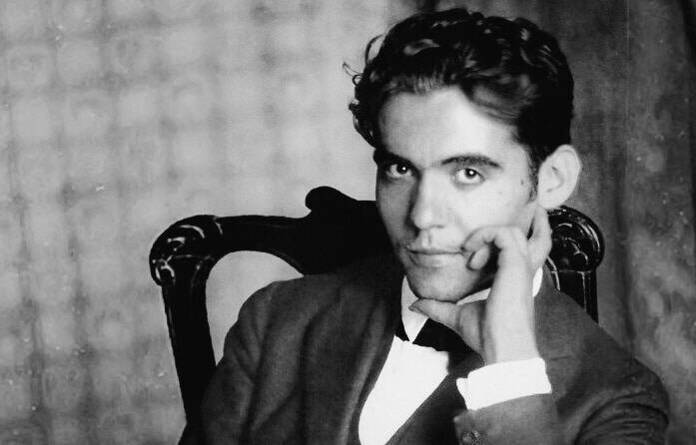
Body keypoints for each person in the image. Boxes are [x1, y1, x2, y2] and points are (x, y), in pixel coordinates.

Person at [200, 8, 669, 444]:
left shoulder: (619, 401)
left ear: (553, 180)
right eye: (400, 169)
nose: (422, 216)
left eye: (468, 173)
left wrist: (511, 369)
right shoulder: (276, 321)